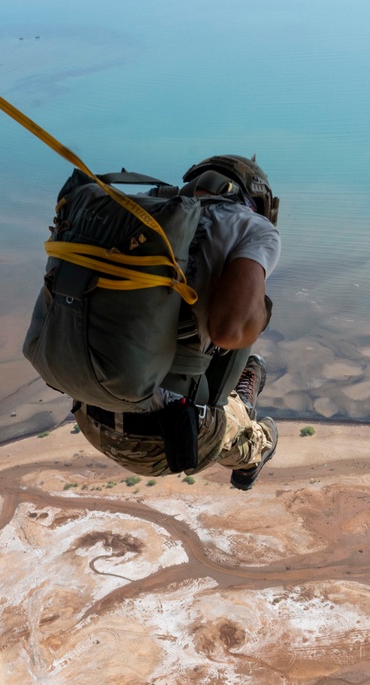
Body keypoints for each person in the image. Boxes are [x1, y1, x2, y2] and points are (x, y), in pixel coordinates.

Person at [72, 155, 281, 490]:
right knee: (243, 428)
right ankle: (251, 438)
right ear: (258, 200)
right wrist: (259, 313)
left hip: (89, 412)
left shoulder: (143, 211)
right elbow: (229, 332)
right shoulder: (253, 228)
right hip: (169, 442)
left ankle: (239, 391)